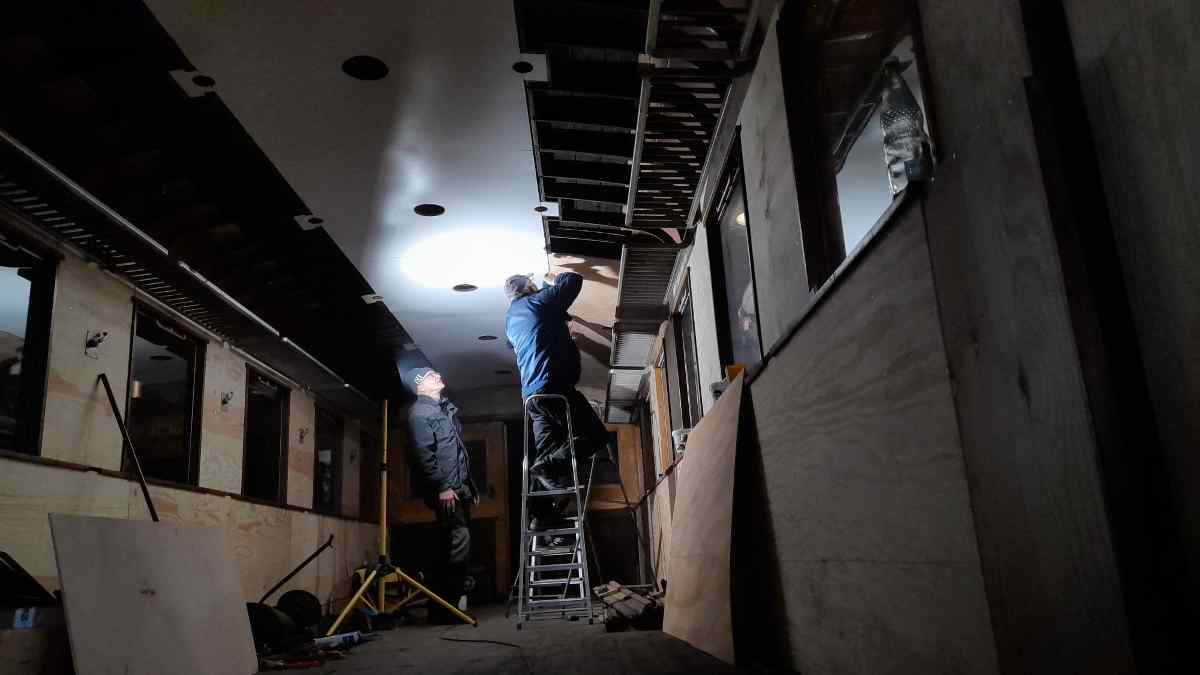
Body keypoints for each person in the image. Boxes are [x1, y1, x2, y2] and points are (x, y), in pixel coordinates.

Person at [503, 272, 610, 524]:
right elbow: (573, 281)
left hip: (533, 398)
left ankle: (540, 516)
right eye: (531, 283)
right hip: (554, 388)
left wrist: (557, 323)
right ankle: (550, 468)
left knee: (546, 454)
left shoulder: (511, 318)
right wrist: (552, 279)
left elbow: (519, 340)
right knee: (596, 437)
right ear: (528, 286)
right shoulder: (537, 301)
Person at [402, 366, 477, 623]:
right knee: (458, 543)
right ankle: (447, 610)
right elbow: (424, 456)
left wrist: (469, 487)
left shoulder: (444, 409)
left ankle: (443, 610)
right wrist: (443, 487)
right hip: (446, 491)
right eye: (430, 375)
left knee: (452, 546)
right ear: (420, 386)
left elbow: (456, 452)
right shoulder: (420, 413)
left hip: (457, 489)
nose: (437, 376)